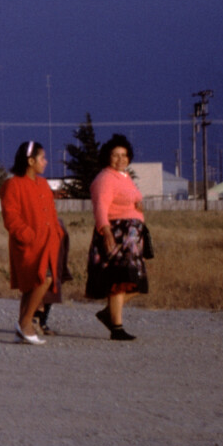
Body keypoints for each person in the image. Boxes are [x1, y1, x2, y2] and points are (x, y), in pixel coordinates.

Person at [0, 140, 63, 345]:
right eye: (42, 158)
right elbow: (11, 217)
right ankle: (26, 323)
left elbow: (51, 213)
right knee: (42, 279)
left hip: (48, 243)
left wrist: (57, 233)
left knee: (34, 284)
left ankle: (22, 329)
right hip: (27, 245)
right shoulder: (12, 184)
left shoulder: (44, 184)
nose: (45, 162)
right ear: (30, 160)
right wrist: (27, 235)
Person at [86, 133, 146, 341]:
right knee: (121, 281)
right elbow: (100, 207)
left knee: (136, 282)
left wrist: (138, 206)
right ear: (107, 157)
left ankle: (107, 314)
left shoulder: (125, 177)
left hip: (132, 238)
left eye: (124, 155)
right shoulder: (104, 178)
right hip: (116, 236)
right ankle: (117, 327)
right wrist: (106, 231)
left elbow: (131, 199)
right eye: (115, 155)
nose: (120, 159)